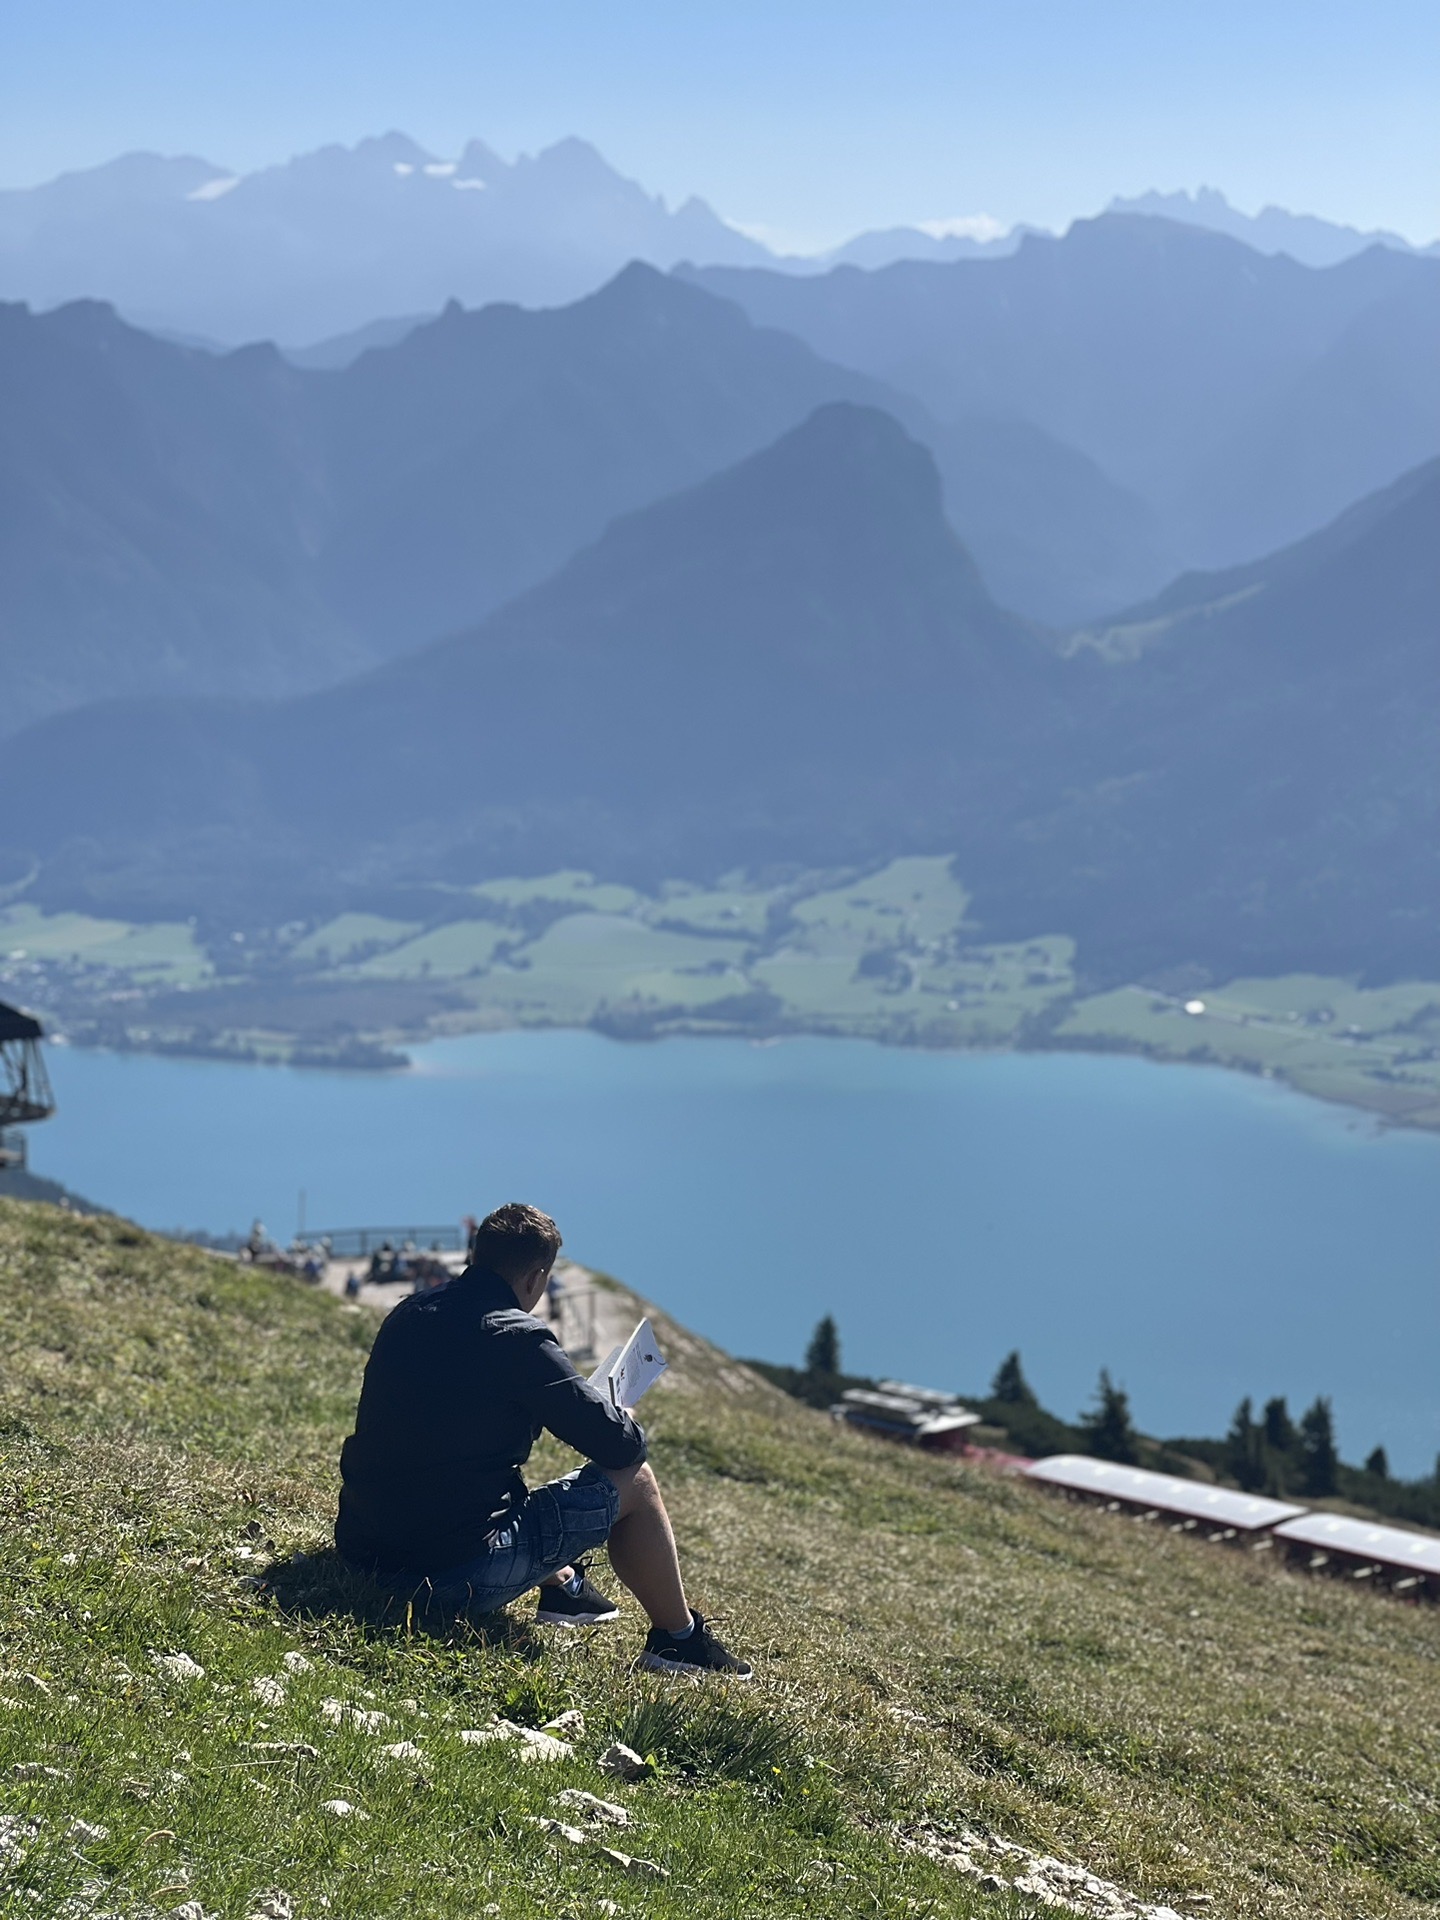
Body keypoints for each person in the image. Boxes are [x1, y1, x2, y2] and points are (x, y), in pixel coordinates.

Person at [335, 1201, 750, 1677]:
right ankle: (678, 1640)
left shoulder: (410, 1312)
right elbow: (621, 1447)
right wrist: (620, 1413)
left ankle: (564, 1586)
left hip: (362, 1548)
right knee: (635, 1481)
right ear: (536, 1277)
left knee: (464, 1474)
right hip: (449, 1576)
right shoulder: (519, 1338)